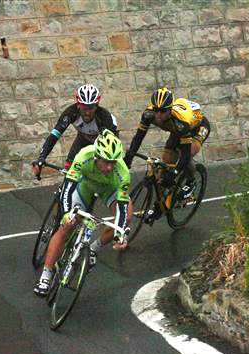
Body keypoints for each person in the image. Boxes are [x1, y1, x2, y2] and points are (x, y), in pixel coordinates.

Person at [34, 130, 132, 297]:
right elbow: (67, 188)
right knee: (67, 226)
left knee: (128, 217)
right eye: (106, 162)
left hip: (109, 189)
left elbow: (122, 210)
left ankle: (93, 249)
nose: (109, 167)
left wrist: (119, 234)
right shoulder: (84, 155)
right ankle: (46, 274)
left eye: (113, 162)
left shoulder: (123, 173)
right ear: (96, 157)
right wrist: (67, 214)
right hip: (85, 185)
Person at [123, 88, 211, 219]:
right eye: (156, 110)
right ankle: (161, 204)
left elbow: (186, 154)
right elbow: (138, 137)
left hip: (197, 128)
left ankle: (191, 181)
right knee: (165, 164)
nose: (158, 114)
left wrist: (174, 173)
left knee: (184, 156)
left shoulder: (181, 122)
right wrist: (129, 156)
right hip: (176, 131)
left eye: (162, 110)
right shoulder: (148, 114)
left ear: (170, 110)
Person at [32, 84, 118, 176]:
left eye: (91, 108)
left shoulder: (104, 117)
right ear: (78, 105)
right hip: (83, 138)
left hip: (103, 141)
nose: (87, 112)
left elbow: (109, 149)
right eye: (84, 108)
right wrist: (41, 158)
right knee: (69, 168)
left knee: (103, 169)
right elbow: (54, 135)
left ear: (96, 106)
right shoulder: (71, 113)